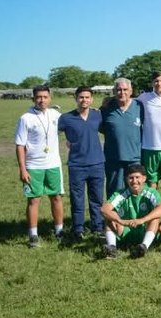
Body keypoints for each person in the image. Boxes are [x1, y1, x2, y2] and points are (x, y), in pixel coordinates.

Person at [15, 85, 65, 247]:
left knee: (56, 197)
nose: (42, 100)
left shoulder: (55, 115)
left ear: (50, 98)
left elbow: (73, 121)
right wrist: (23, 168)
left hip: (53, 165)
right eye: (38, 97)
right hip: (33, 166)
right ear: (33, 99)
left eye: (45, 97)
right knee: (33, 200)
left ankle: (59, 231)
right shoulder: (25, 118)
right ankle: (33, 235)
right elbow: (20, 145)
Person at [57, 86, 105, 241]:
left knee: (96, 199)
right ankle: (78, 228)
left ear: (92, 99)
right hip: (76, 165)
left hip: (97, 163)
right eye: (81, 97)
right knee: (77, 199)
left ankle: (97, 226)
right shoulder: (66, 118)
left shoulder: (98, 115)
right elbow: (50, 131)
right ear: (75, 98)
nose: (84, 100)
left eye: (87, 97)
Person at [100, 164, 161, 259]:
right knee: (110, 215)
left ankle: (143, 247)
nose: (134, 181)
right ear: (126, 179)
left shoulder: (151, 192)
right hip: (125, 230)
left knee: (156, 218)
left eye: (137, 177)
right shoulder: (120, 194)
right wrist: (121, 221)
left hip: (144, 230)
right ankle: (112, 249)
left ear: (144, 178)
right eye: (131, 178)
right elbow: (104, 209)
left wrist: (142, 220)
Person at [100, 78, 143, 196]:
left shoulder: (139, 106)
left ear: (131, 91)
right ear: (114, 91)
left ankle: (134, 214)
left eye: (125, 89)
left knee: (135, 190)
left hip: (134, 157)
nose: (122, 93)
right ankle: (114, 215)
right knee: (115, 191)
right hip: (114, 158)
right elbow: (100, 127)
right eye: (118, 90)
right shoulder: (106, 108)